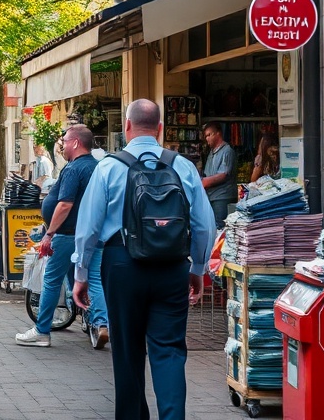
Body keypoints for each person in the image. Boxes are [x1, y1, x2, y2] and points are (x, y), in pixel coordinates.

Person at [72, 99, 216, 420]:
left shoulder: (109, 166)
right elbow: (205, 225)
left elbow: (88, 228)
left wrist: (81, 274)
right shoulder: (183, 166)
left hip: (122, 266)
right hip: (172, 267)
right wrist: (197, 269)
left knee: (127, 352)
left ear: (126, 127)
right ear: (160, 128)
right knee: (169, 351)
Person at [16, 125, 108, 349]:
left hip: (68, 235)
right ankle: (102, 323)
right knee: (92, 279)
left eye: (65, 141)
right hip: (93, 234)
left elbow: (65, 204)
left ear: (75, 143)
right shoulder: (97, 167)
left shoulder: (74, 168)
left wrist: (49, 233)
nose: (62, 146)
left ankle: (42, 331)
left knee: (51, 280)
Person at [202, 122, 237, 226]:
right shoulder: (211, 153)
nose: (207, 138)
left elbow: (223, 175)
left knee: (221, 228)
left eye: (209, 135)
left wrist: (203, 182)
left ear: (218, 134)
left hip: (222, 197)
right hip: (212, 197)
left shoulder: (227, 151)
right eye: (206, 136)